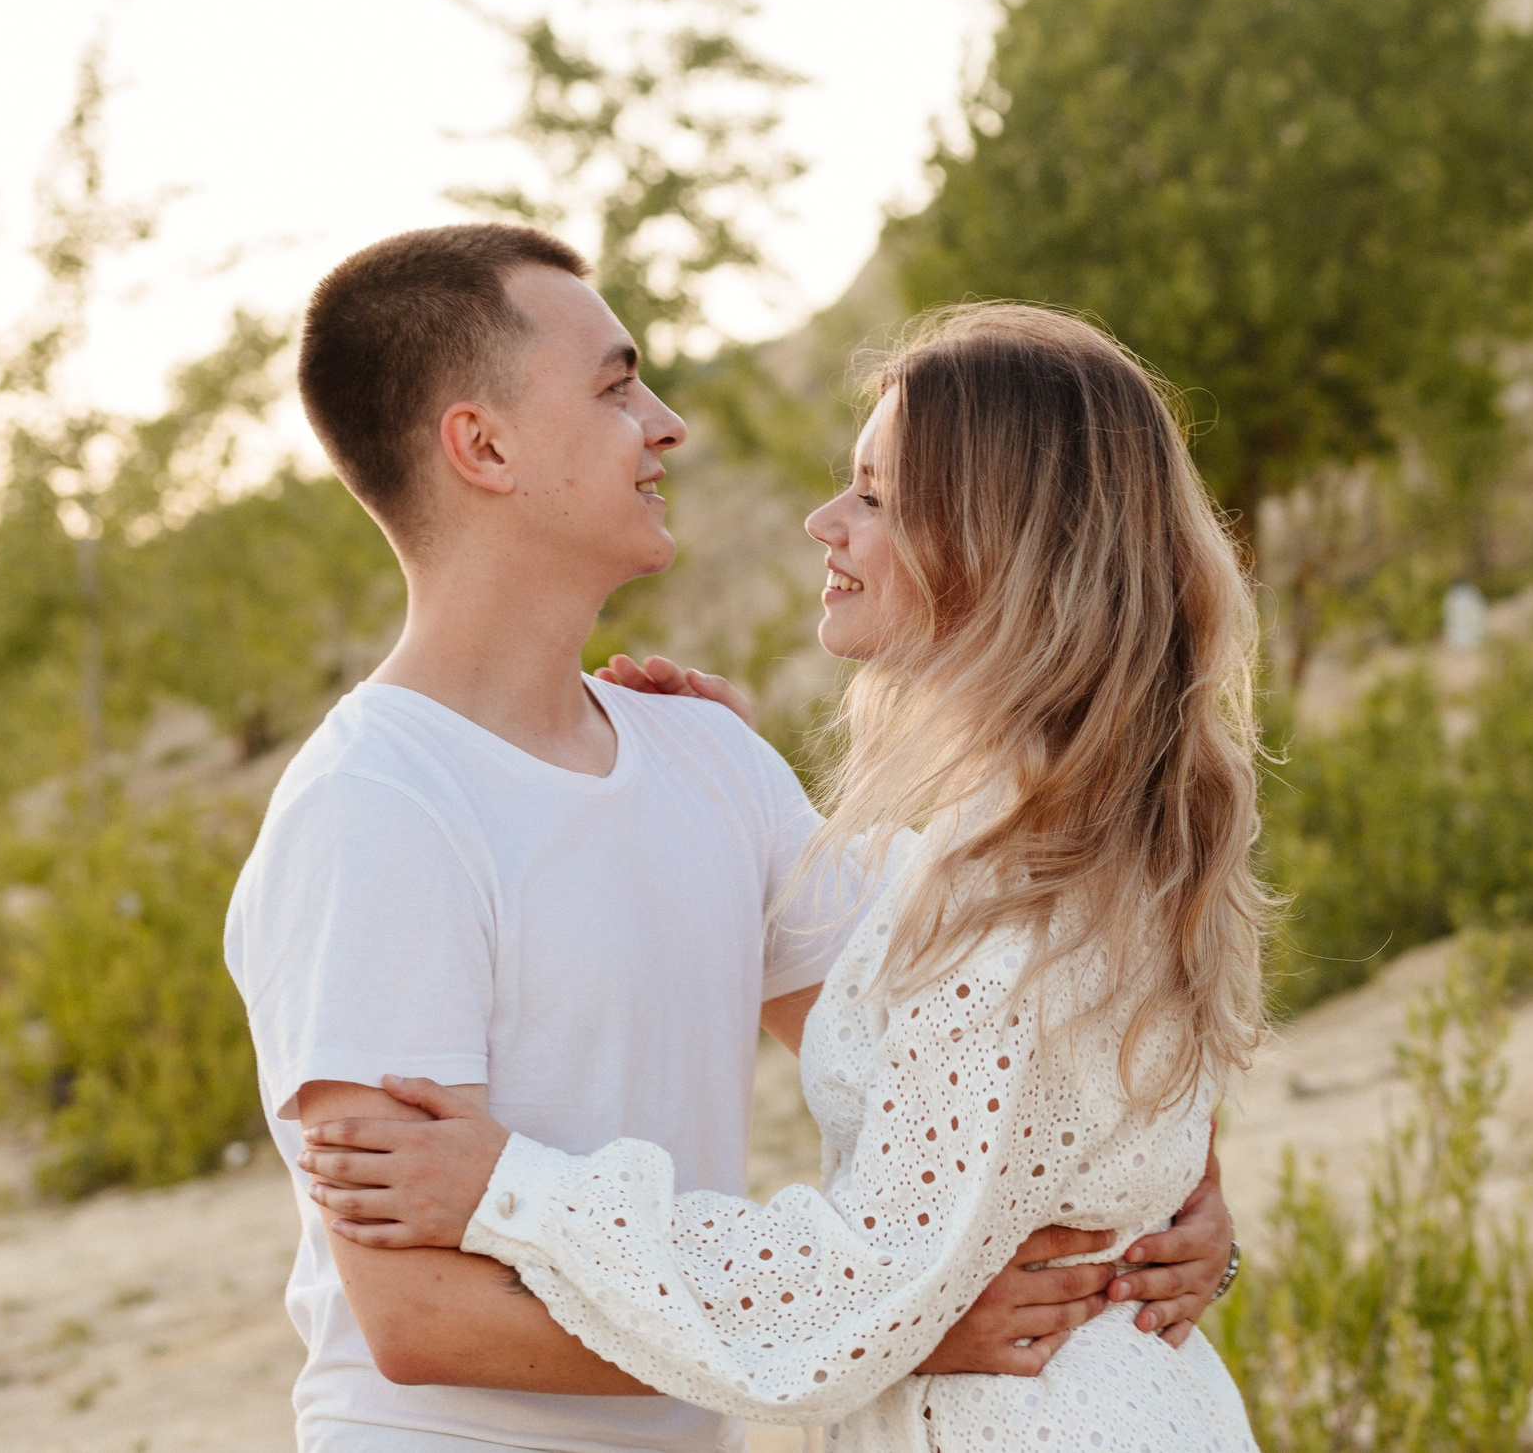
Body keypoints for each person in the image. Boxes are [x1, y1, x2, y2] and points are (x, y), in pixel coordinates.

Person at [225, 228, 1233, 1453]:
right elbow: (416, 1317)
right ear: (481, 444)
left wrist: (1172, 1193)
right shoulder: (377, 807)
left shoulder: (709, 759)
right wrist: (904, 1327)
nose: (667, 423)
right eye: (614, 386)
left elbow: (994, 1058)